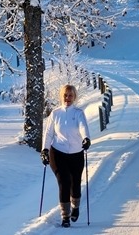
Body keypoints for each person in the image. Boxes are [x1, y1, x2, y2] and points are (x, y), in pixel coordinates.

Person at [41, 84, 91, 228]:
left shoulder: (78, 113)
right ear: (61, 96)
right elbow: (49, 133)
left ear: (74, 97)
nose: (67, 98)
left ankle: (75, 207)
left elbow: (83, 127)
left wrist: (86, 138)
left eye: (70, 95)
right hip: (57, 153)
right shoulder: (55, 113)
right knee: (64, 182)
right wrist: (44, 150)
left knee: (75, 183)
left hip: (76, 153)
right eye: (65, 95)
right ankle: (65, 216)